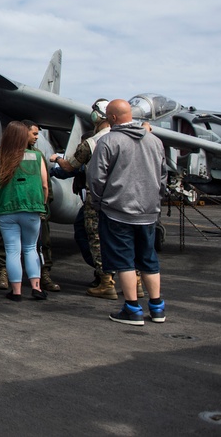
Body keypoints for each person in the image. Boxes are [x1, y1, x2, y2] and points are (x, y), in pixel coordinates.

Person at [87, 99, 167, 325]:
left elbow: (95, 178)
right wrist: (154, 201)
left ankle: (132, 309)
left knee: (125, 262)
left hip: (117, 212)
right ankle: (157, 307)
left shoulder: (108, 141)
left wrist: (101, 203)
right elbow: (163, 177)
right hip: (149, 212)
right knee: (149, 259)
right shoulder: (155, 141)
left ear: (111, 118)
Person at [50, 99, 115, 298]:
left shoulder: (92, 142)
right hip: (125, 201)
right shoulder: (131, 139)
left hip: (96, 202)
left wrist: (56, 161)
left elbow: (70, 167)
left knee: (92, 238)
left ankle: (106, 280)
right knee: (123, 239)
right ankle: (136, 281)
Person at [0, 121, 59, 291]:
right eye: (34, 134)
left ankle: (16, 291)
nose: (36, 138)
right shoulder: (36, 157)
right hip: (33, 210)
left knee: (12, 251)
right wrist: (42, 205)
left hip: (6, 210)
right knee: (31, 249)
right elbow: (45, 185)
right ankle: (36, 288)